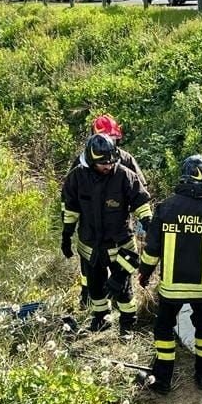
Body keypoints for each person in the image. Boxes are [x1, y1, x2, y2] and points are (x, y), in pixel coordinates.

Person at [137, 154, 202, 393]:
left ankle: (162, 381)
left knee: (163, 329)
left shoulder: (166, 208)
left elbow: (152, 249)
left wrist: (144, 272)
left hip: (172, 287)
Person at [61, 134, 152, 336]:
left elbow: (140, 201)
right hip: (90, 244)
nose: (108, 166)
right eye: (103, 164)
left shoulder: (124, 176)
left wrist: (147, 220)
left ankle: (128, 323)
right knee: (95, 287)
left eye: (111, 162)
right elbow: (71, 208)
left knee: (122, 288)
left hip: (121, 245)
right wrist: (66, 235)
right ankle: (101, 319)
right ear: (92, 161)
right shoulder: (77, 177)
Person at [72, 114, 146, 306]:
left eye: (113, 140)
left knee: (121, 271)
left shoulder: (126, 160)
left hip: (118, 228)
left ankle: (121, 303)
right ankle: (89, 297)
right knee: (90, 269)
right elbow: (71, 195)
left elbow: (141, 191)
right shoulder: (82, 163)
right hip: (90, 230)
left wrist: (140, 224)